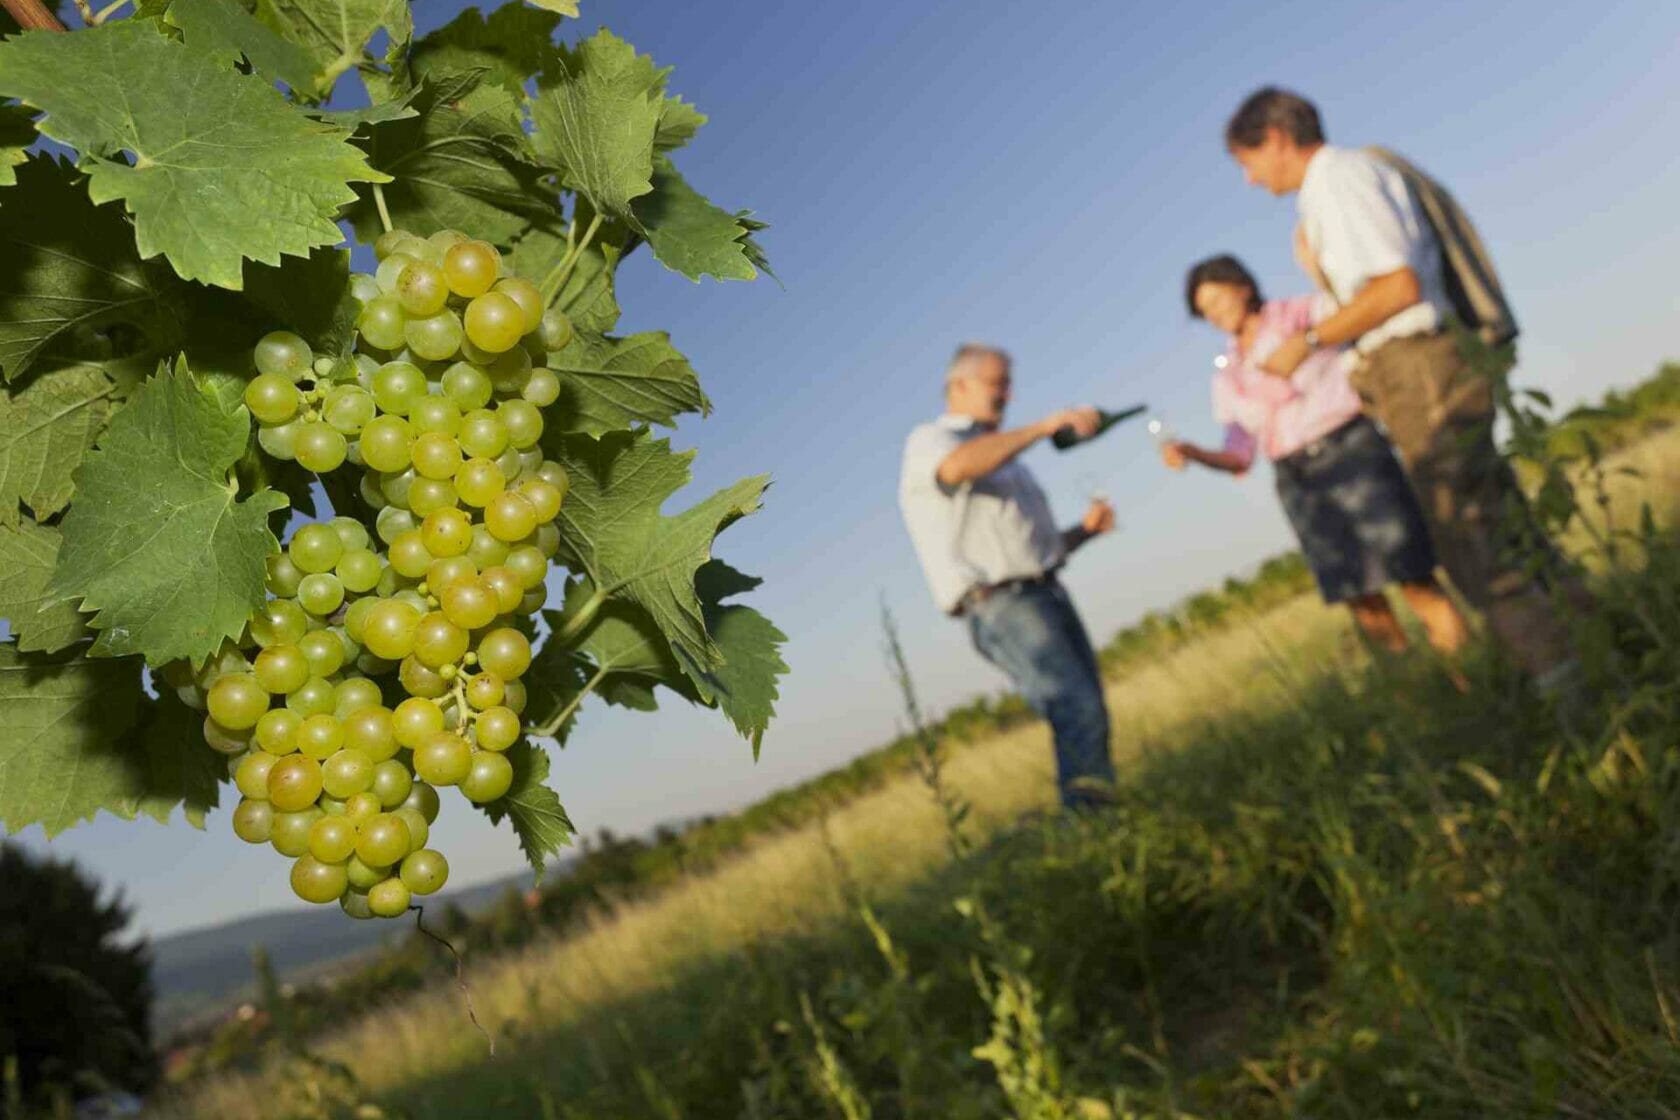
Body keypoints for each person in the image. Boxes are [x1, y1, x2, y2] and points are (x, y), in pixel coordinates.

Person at [1222, 87, 1579, 689]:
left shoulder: (1337, 182)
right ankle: (1597, 647)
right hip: (1415, 364)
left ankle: (1564, 684)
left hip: (1415, 364)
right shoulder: (1340, 187)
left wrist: (1308, 342)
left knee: (1469, 533)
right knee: (1503, 523)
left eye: (1248, 163)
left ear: (1277, 140)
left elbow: (1395, 289)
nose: (1251, 181)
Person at [1164, 254, 1469, 660]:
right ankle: (1414, 691)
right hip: (1298, 481)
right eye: (1206, 313)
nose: (1215, 316)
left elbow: (1357, 318)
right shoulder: (1228, 373)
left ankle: (1469, 673)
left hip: (1350, 451)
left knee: (1411, 573)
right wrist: (1193, 452)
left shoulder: (1303, 313)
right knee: (1358, 594)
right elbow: (1239, 454)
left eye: (1218, 302)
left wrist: (1309, 335)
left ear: (1242, 287)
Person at [898, 344, 1118, 810]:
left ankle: (1098, 817)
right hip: (1003, 605)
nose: (1007, 395)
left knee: (1089, 709)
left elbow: (1035, 551)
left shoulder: (1008, 459)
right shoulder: (932, 440)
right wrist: (1044, 427)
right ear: (960, 385)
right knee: (1076, 708)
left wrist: (1085, 531)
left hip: (1044, 591)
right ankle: (1092, 828)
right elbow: (957, 468)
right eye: (997, 384)